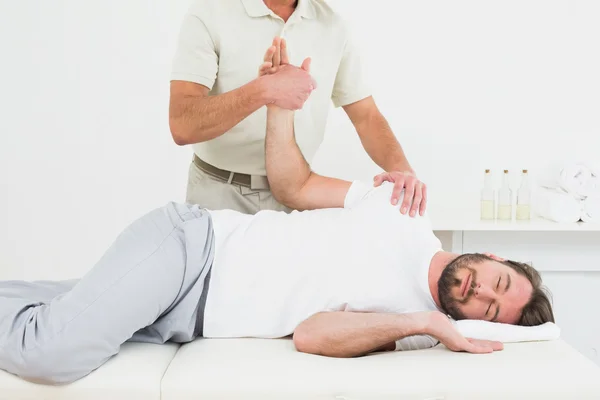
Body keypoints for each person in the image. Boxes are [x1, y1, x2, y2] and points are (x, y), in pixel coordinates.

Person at [0, 63, 554, 387]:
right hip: (195, 251)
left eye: (486, 310)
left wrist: (428, 325)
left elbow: (313, 334)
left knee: (56, 312)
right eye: (496, 282)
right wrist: (278, 106)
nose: (478, 291)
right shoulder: (402, 213)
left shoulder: (412, 329)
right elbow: (294, 186)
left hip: (188, 318)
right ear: (494, 258)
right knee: (54, 354)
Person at [169, 0, 427, 217]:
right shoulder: (209, 13)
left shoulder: (332, 24)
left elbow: (366, 116)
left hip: (296, 196)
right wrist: (264, 90)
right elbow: (182, 124)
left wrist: (402, 170)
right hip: (218, 194)